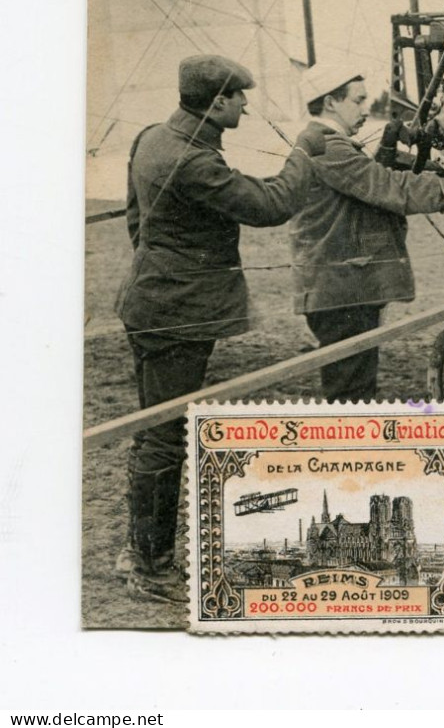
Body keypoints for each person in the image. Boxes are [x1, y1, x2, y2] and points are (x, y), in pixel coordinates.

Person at [115, 54, 320, 603]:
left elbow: (137, 221)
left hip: (149, 300)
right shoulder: (193, 162)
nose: (247, 106)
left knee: (152, 428)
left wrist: (163, 271)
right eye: (239, 98)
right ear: (216, 102)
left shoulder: (151, 138)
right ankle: (152, 569)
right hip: (179, 313)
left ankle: (139, 547)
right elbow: (272, 204)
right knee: (165, 435)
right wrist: (305, 148)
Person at [290, 62, 444, 403]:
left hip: (345, 287)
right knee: (350, 394)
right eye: (358, 100)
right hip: (342, 291)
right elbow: (395, 190)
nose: (366, 109)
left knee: (354, 388)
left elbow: (368, 189)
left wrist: (384, 153)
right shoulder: (327, 146)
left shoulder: (331, 143)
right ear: (331, 102)